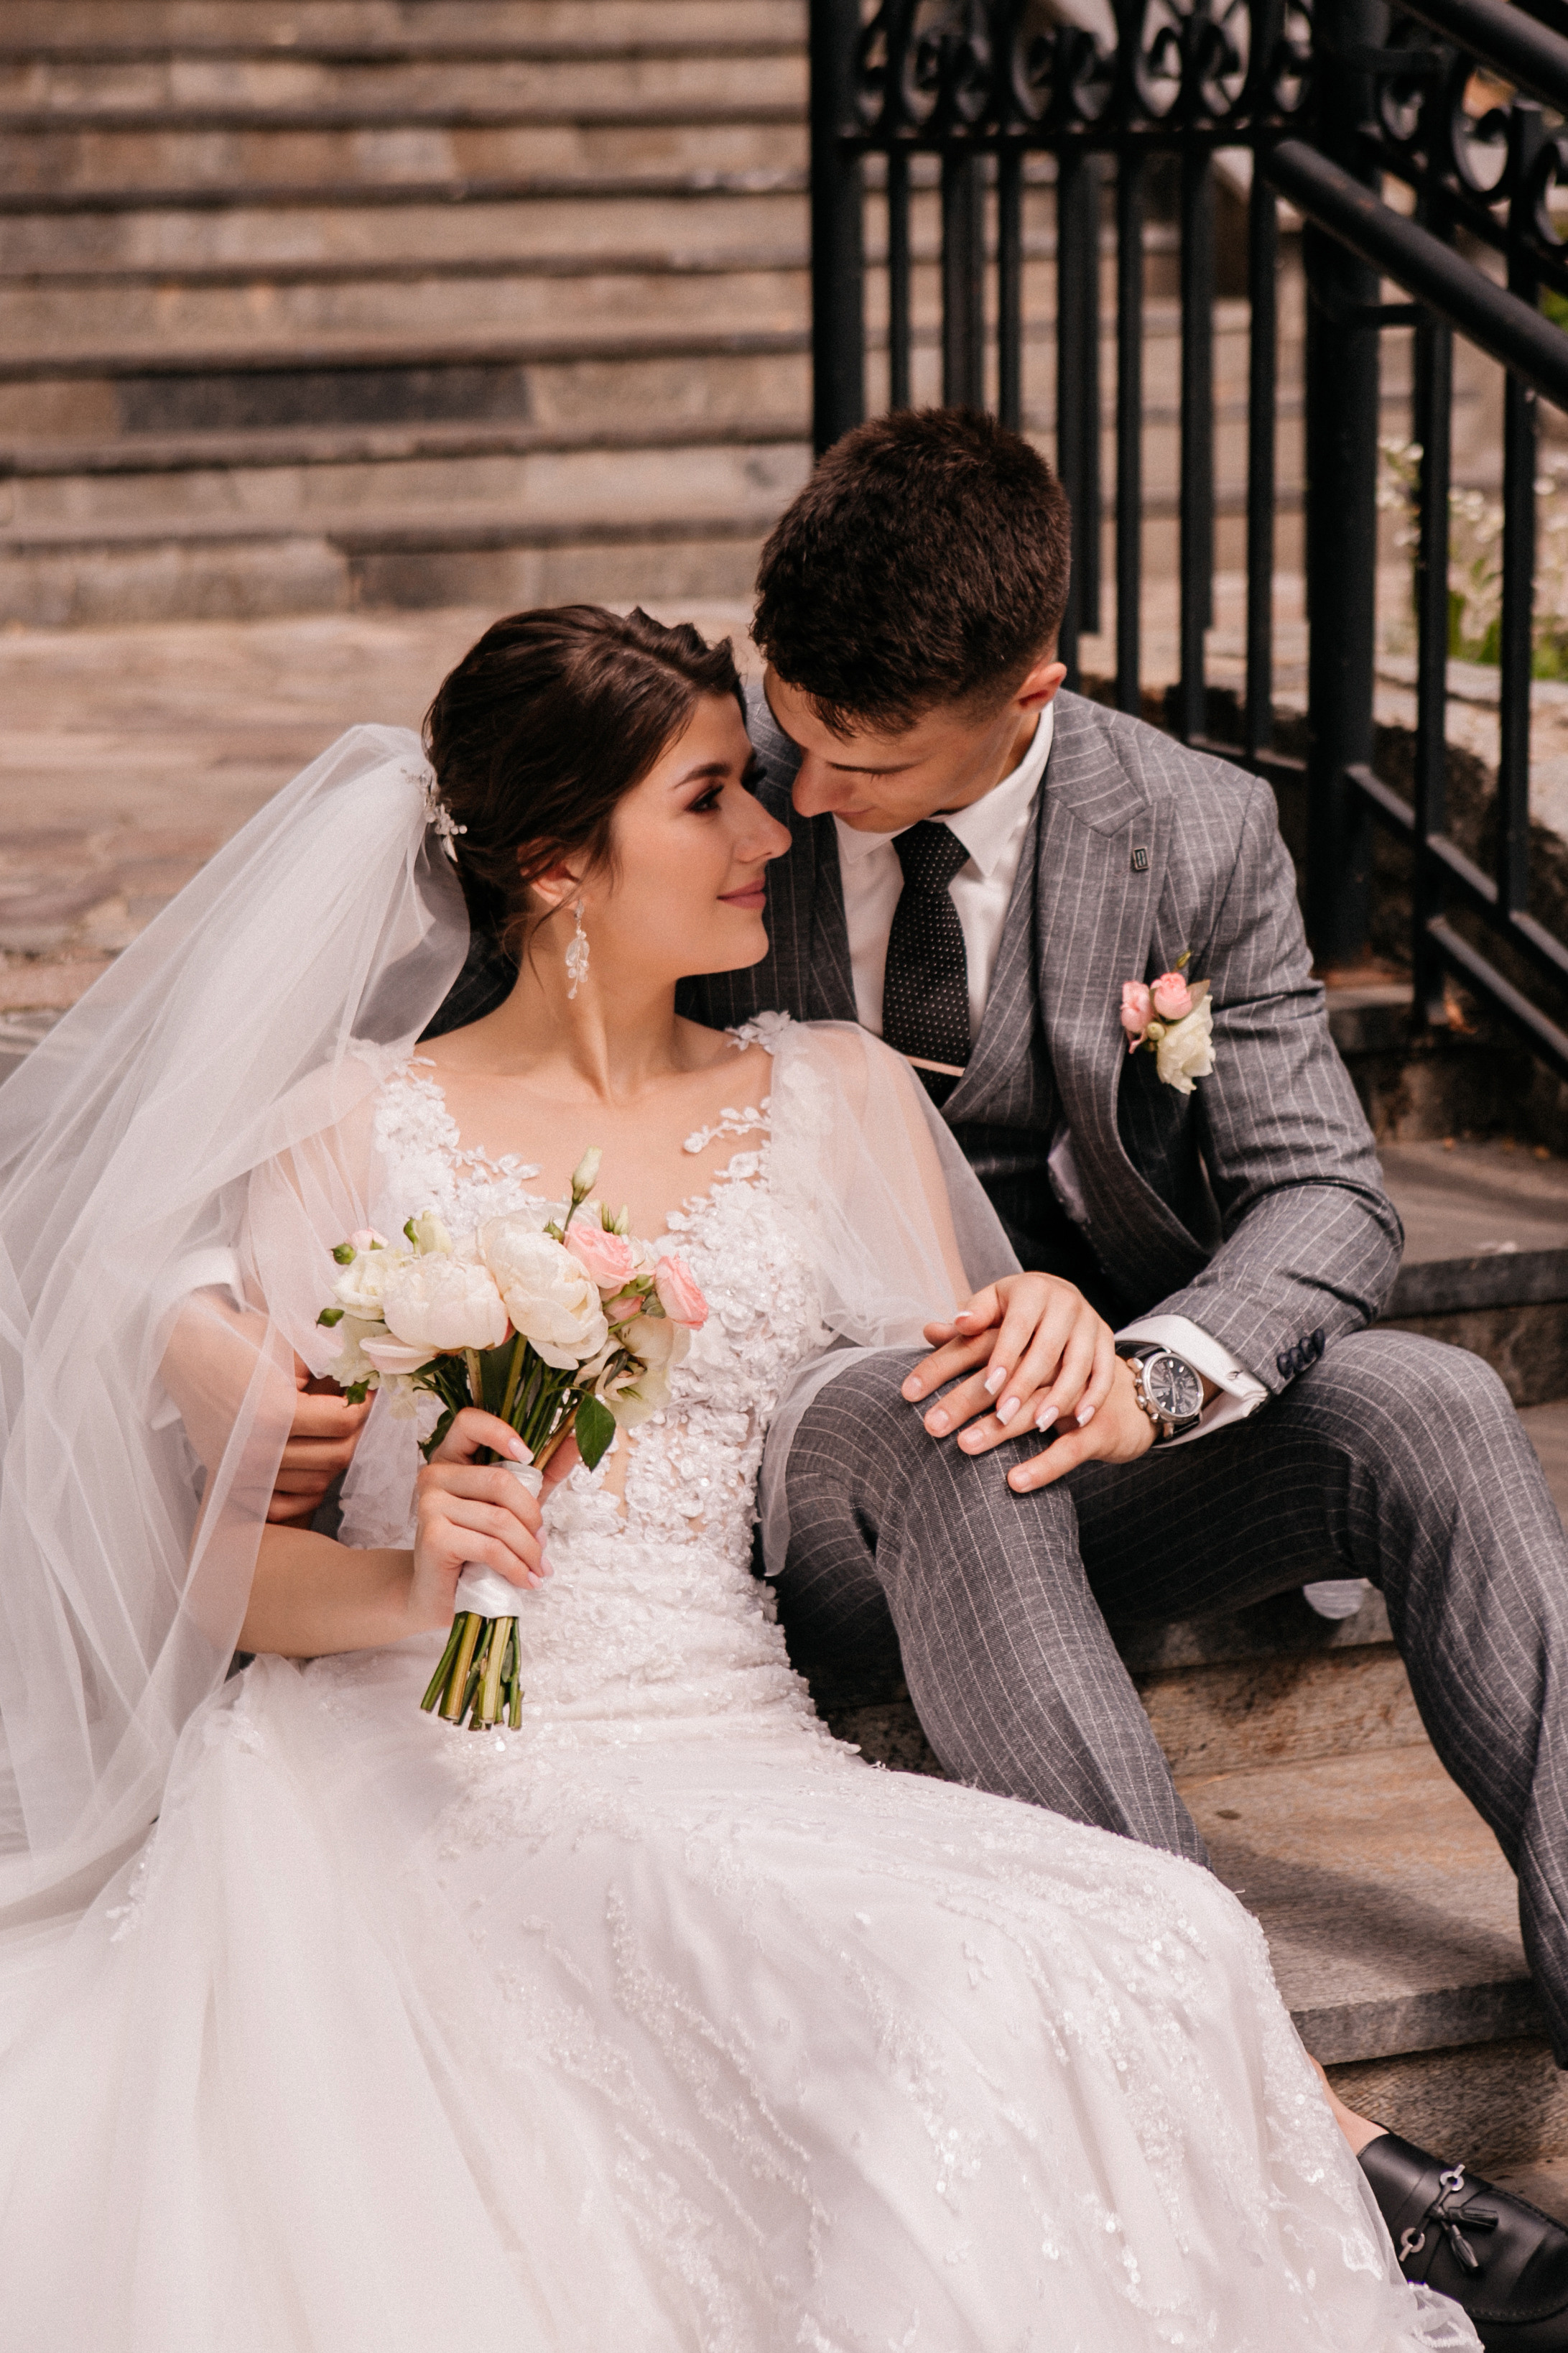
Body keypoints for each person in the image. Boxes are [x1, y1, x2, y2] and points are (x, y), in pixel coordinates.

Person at [0, 607, 1480, 2349]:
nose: (775, 836)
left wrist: (1059, 1322)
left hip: (740, 1725)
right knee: (945, 1986)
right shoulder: (353, 1129)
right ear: (557, 863)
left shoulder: (838, 1092)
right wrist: (414, 1577)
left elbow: (967, 1426)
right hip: (435, 1756)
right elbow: (229, 1581)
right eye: (712, 799)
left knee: (1153, 1928)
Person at [348, 412, 1568, 2349]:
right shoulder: (704, 777)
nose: (800, 791)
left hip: (1113, 1431)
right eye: (784, 730)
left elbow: (1330, 1195)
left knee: (1429, 1403)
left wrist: (1152, 1365)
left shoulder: (1191, 828)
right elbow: (475, 1019)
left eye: (864, 759)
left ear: (1033, 695)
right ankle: (1253, 2091)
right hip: (821, 1464)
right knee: (940, 1412)